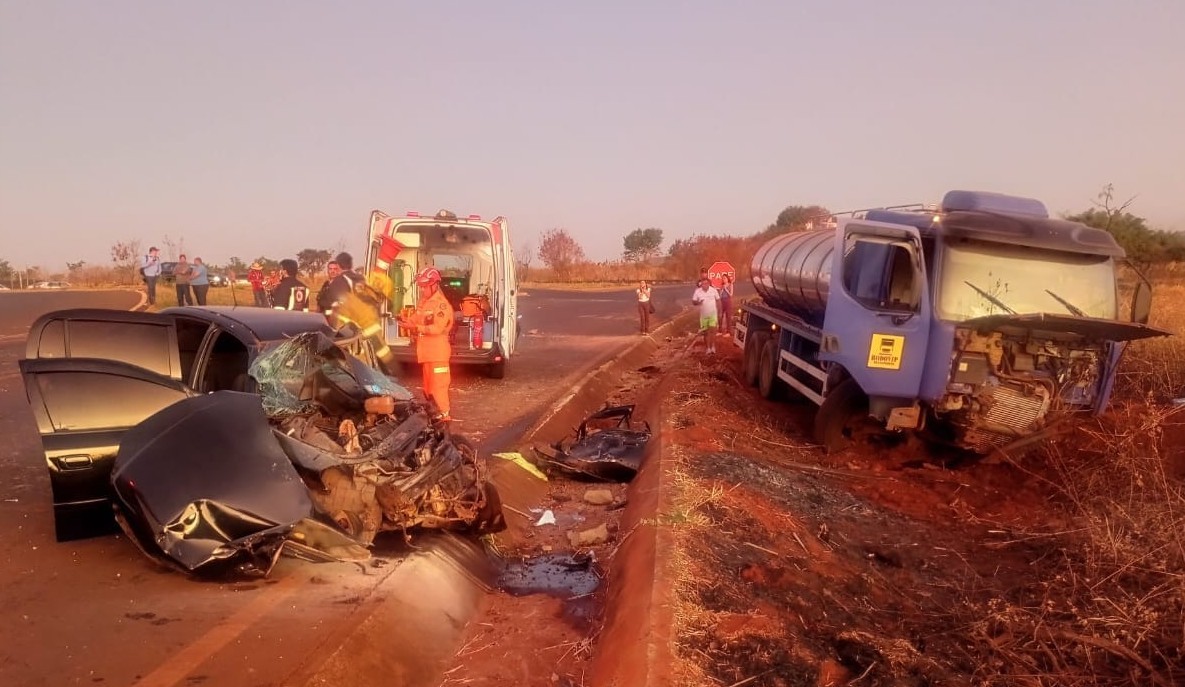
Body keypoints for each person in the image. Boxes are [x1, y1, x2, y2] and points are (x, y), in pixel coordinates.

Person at [399, 266, 454, 421]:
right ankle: (433, 417)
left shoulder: (441, 305)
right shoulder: (425, 302)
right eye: (421, 287)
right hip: (427, 355)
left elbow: (437, 328)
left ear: (434, 285)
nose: (422, 290)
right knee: (428, 390)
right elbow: (417, 317)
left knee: (439, 390)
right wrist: (406, 321)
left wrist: (415, 328)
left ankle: (444, 419)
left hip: (438, 355)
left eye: (424, 287)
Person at [692, 277, 721, 355]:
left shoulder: (713, 290)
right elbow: (693, 302)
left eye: (706, 283)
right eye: (703, 284)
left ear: (709, 284)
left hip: (713, 314)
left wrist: (720, 312)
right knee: (706, 333)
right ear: (701, 284)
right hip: (703, 315)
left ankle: (713, 347)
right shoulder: (698, 291)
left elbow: (718, 301)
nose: (704, 285)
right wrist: (698, 302)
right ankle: (708, 348)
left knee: (713, 331)